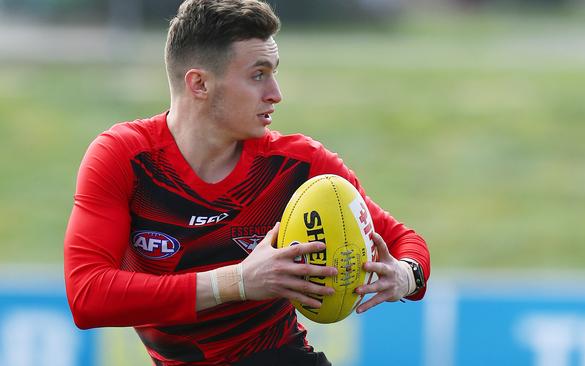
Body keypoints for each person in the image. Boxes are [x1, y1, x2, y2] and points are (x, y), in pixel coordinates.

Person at [63, 0, 430, 365]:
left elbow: (404, 241)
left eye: (273, 73)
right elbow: (87, 296)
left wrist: (404, 276)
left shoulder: (299, 166)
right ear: (200, 84)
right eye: (258, 74)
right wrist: (238, 281)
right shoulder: (126, 158)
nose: (275, 93)